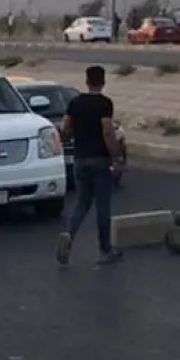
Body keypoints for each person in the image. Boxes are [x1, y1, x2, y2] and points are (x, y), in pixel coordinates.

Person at [56, 65, 123, 267]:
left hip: (80, 158)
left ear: (86, 81)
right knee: (103, 205)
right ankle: (105, 250)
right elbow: (107, 132)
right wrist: (116, 158)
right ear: (103, 82)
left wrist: (75, 135)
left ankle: (69, 233)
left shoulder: (75, 103)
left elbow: (64, 129)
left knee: (82, 203)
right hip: (99, 159)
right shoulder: (104, 104)